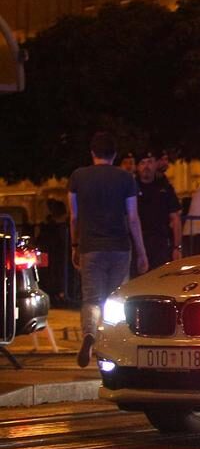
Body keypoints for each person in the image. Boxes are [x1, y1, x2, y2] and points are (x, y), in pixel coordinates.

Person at [68, 131, 148, 367]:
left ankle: (89, 336)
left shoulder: (78, 177)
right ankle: (114, 345)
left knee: (92, 299)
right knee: (117, 299)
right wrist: (142, 251)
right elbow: (133, 218)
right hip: (120, 247)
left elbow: (74, 217)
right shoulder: (125, 179)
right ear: (114, 154)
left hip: (90, 246)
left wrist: (75, 244)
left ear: (92, 152)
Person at [135, 152, 182, 272]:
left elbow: (175, 218)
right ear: (137, 167)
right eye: (143, 163)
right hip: (137, 243)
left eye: (150, 162)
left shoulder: (165, 188)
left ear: (155, 164)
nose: (146, 166)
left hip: (159, 243)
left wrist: (177, 247)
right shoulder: (131, 187)